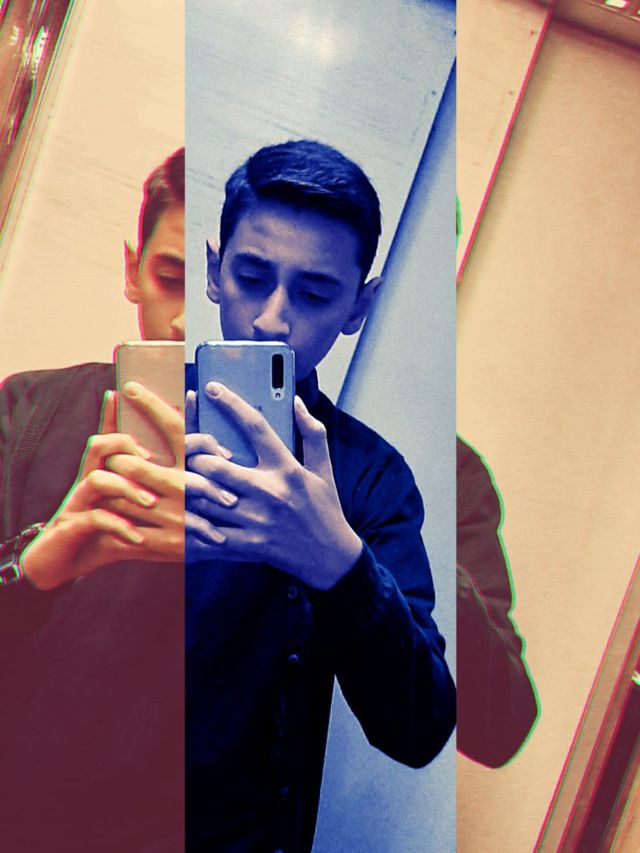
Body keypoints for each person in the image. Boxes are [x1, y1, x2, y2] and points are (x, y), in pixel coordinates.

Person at [184, 140, 457, 852]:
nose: (272, 320)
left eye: (313, 294)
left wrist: (337, 562)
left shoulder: (368, 479)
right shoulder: (128, 413)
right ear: (213, 270)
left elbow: (420, 726)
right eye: (252, 277)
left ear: (358, 305)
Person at [0, 147, 186, 852]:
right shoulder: (30, 408)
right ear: (132, 270)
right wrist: (36, 565)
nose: (186, 321)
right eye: (171, 278)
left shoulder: (310, 474)